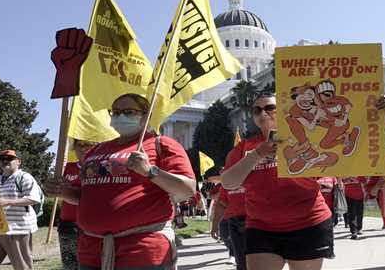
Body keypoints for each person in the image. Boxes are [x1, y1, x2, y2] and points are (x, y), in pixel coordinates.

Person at [45, 93, 196, 270]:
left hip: (141, 251)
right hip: (91, 250)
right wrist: (64, 192)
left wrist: (150, 171)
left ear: (146, 115)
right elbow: (83, 195)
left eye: (128, 111)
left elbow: (187, 189)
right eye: (115, 112)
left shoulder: (161, 144)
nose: (120, 116)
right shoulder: (97, 150)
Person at [221, 92, 333, 270]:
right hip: (261, 228)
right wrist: (258, 154)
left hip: (308, 223)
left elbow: (345, 133)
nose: (263, 113)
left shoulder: (306, 135)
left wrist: (373, 111)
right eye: (257, 110)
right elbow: (228, 183)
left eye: (269, 108)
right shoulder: (244, 147)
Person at [0, 149, 41, 270]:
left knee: (22, 267)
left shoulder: (24, 177)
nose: (5, 161)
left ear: (18, 161)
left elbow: (34, 199)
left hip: (18, 230)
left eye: (10, 158)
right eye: (2, 159)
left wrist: (8, 202)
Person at [58, 139, 96, 270]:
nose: (83, 148)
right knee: (70, 265)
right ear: (74, 148)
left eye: (88, 144)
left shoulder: (99, 168)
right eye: (79, 145)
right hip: (67, 225)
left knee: (89, 264)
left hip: (90, 226)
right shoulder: (66, 167)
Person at [211, 185, 246, 269]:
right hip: (235, 222)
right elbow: (222, 204)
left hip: (258, 222)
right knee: (241, 261)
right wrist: (214, 226)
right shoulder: (227, 179)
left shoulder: (257, 174)